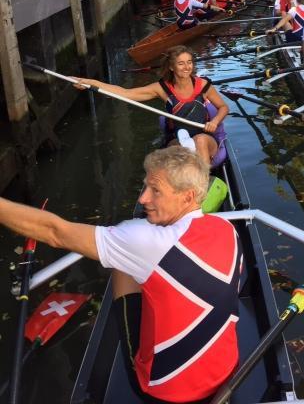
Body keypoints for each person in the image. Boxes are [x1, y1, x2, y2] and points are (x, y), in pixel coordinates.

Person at [0, 146, 243, 403]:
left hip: (166, 390)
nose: (143, 199)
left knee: (123, 263)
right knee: (146, 269)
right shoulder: (227, 228)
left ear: (187, 197)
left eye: (155, 191)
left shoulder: (143, 238)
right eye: (145, 186)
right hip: (228, 371)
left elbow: (54, 232)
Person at [75, 46, 229, 166]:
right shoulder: (162, 89)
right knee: (180, 147)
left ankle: (204, 187)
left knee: (200, 140)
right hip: (177, 138)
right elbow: (125, 93)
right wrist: (91, 82)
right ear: (171, 67)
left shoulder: (203, 85)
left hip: (206, 138)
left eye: (189, 62)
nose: (186, 67)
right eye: (181, 63)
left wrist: (214, 122)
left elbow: (223, 107)